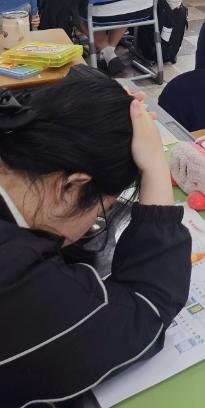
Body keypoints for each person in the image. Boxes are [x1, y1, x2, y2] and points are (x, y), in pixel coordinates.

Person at [0, 69, 191, 407]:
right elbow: (146, 311)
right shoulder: (22, 285)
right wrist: (155, 167)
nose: (96, 220)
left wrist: (96, 110)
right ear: (70, 185)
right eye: (104, 207)